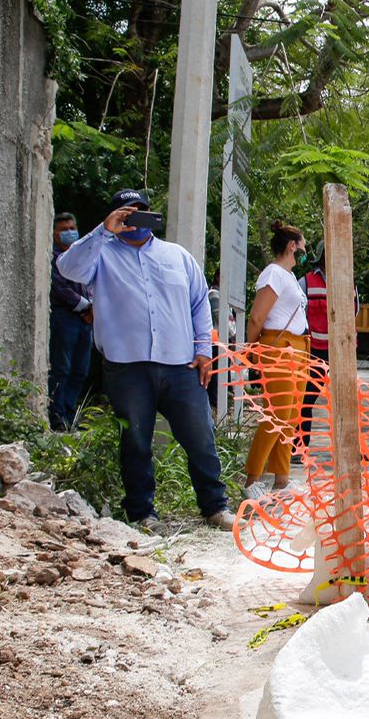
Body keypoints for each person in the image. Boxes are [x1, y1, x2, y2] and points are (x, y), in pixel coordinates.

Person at [56, 189, 235, 530]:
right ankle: (142, 513)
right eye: (127, 213)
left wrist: (202, 351)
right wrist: (104, 230)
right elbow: (67, 268)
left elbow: (199, 305)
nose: (135, 218)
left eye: (141, 212)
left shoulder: (177, 256)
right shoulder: (100, 255)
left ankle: (215, 507)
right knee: (136, 441)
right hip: (127, 367)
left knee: (200, 437)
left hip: (181, 365)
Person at [242, 220, 313, 499]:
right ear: (292, 246)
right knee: (276, 415)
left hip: (297, 348)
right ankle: (252, 479)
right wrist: (251, 350)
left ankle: (282, 480)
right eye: (303, 247)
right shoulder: (273, 273)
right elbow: (257, 316)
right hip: (279, 347)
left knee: (292, 415)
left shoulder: (289, 277)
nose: (305, 252)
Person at [298, 249, 359, 442]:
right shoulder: (305, 282)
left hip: (342, 352)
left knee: (347, 402)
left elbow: (354, 311)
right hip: (315, 351)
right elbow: (300, 314)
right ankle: (299, 447)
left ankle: (350, 448)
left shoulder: (348, 282)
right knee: (306, 399)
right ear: (322, 258)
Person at [47, 211, 93, 430]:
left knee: (80, 370)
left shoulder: (80, 258)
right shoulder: (54, 258)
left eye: (72, 228)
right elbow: (61, 290)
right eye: (64, 230)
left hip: (85, 320)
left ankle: (70, 415)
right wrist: (88, 307)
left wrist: (93, 308)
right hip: (65, 318)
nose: (69, 233)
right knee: (62, 368)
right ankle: (56, 416)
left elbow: (92, 283)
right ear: (55, 233)